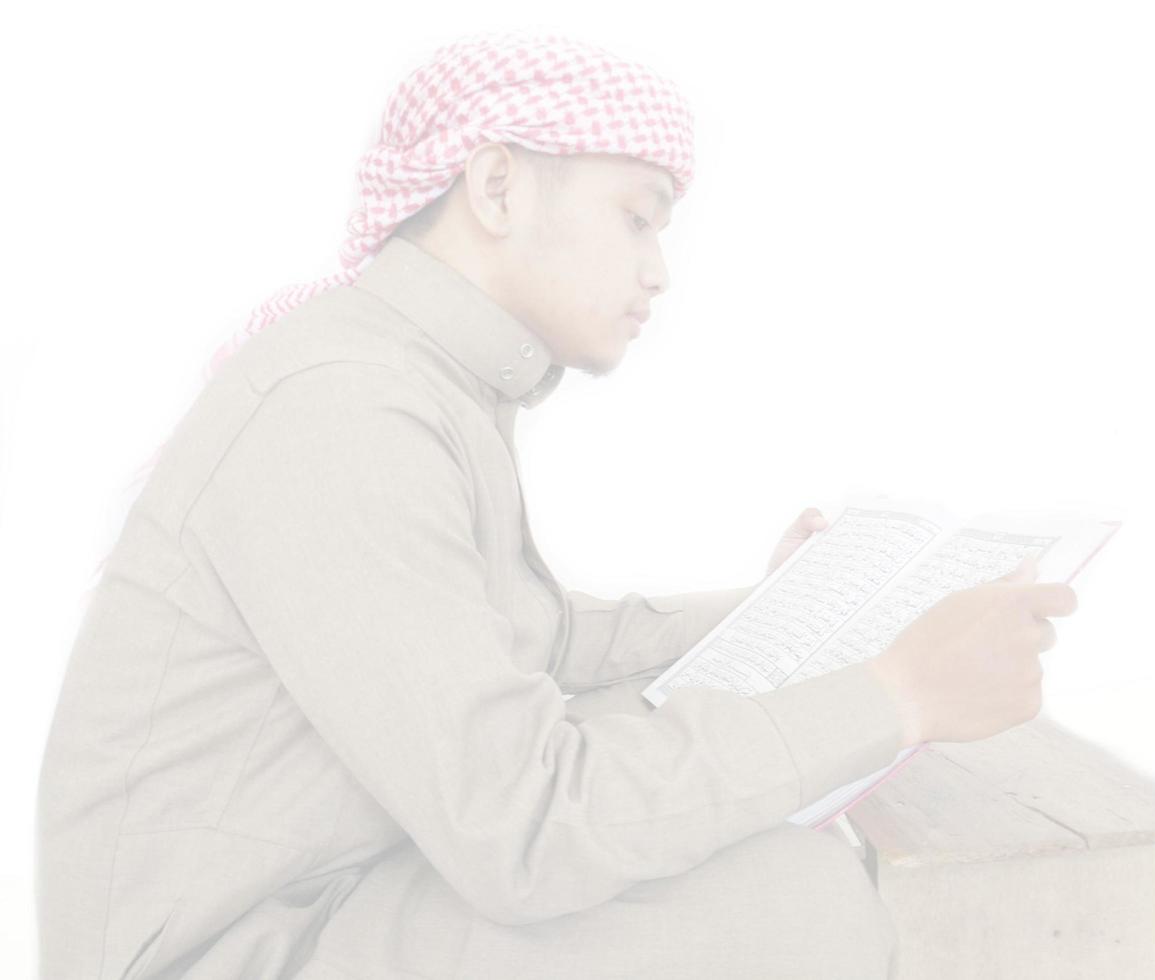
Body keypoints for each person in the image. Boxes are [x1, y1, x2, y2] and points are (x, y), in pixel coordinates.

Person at [35, 30, 1077, 980]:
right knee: (787, 901)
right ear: (497, 187)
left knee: (737, 824)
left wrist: (787, 609)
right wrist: (894, 694)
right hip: (233, 945)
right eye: (636, 218)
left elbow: (536, 637)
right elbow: (523, 827)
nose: (658, 270)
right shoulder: (345, 408)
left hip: (332, 886)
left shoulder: (411, 380)